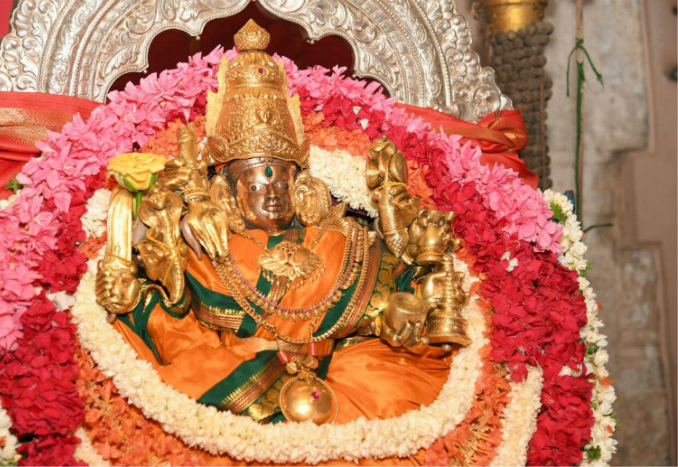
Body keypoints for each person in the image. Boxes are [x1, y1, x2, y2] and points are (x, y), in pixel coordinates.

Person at [96, 20, 468, 429]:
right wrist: (145, 235)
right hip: (239, 376)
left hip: (341, 373)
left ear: (301, 186)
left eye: (281, 182)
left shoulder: (343, 240)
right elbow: (168, 312)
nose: (271, 194)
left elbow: (391, 296)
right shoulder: (206, 248)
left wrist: (393, 313)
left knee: (394, 386)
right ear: (229, 193)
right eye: (257, 183)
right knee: (186, 386)